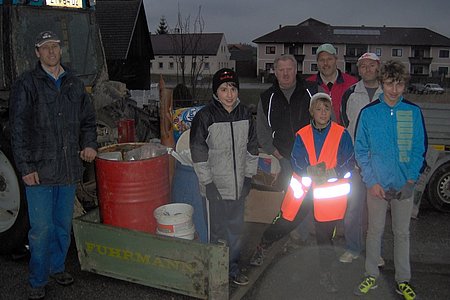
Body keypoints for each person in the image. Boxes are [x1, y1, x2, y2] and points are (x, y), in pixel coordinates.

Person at [9, 31, 97, 300]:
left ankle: (57, 267)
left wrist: (89, 143)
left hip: (68, 169)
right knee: (41, 230)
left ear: (61, 50)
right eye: (45, 48)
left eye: (55, 47)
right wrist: (25, 167)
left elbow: (88, 120)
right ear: (37, 53)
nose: (51, 52)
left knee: (61, 225)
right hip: (39, 172)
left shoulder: (74, 83)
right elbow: (18, 129)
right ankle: (37, 280)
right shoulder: (27, 84)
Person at [250, 92, 355, 293]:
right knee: (285, 222)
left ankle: (327, 273)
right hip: (304, 192)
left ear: (331, 111)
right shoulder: (303, 134)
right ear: (311, 111)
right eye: (318, 108)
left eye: (326, 109)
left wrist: (332, 172)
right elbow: (296, 160)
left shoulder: (342, 134)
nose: (323, 113)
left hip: (327, 195)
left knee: (325, 237)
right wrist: (308, 171)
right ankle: (263, 244)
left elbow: (348, 161)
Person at [353, 60, 426, 300]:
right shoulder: (369, 113)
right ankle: (371, 275)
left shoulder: (413, 112)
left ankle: (403, 280)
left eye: (399, 84)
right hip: (376, 186)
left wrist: (410, 181)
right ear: (382, 84)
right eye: (389, 84)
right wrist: (371, 182)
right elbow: (361, 151)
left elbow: (419, 149)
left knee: (402, 233)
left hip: (404, 186)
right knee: (375, 231)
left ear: (404, 84)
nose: (394, 90)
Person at [190, 68, 258, 286]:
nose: (229, 94)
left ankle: (233, 269)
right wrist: (207, 183)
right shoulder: (205, 116)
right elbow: (198, 153)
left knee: (236, 231)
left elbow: (252, 149)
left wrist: (248, 178)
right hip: (215, 190)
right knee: (217, 233)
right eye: (223, 89)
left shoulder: (245, 114)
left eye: (233, 88)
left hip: (237, 189)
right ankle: (216, 273)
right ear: (215, 92)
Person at [257, 54, 316, 243]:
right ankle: (292, 237)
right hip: (286, 159)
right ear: (275, 72)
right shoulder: (267, 98)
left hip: (311, 157)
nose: (285, 73)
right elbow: (262, 129)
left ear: (296, 70)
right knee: (292, 200)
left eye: (289, 69)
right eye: (281, 70)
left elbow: (326, 119)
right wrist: (273, 151)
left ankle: (306, 236)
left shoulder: (311, 92)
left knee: (312, 199)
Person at [339, 52, 384, 264]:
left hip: (380, 166)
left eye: (371, 65)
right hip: (356, 164)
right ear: (359, 69)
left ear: (378, 67)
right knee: (353, 210)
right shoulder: (350, 94)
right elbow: (346, 125)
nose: (367, 69)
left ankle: (376, 253)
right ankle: (353, 248)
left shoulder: (388, 92)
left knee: (377, 214)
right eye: (363, 66)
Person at [307, 43, 358, 124]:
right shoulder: (308, 85)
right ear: (317, 62)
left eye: (329, 59)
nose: (325, 63)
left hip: (345, 134)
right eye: (322, 60)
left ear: (336, 60)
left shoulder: (352, 83)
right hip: (318, 134)